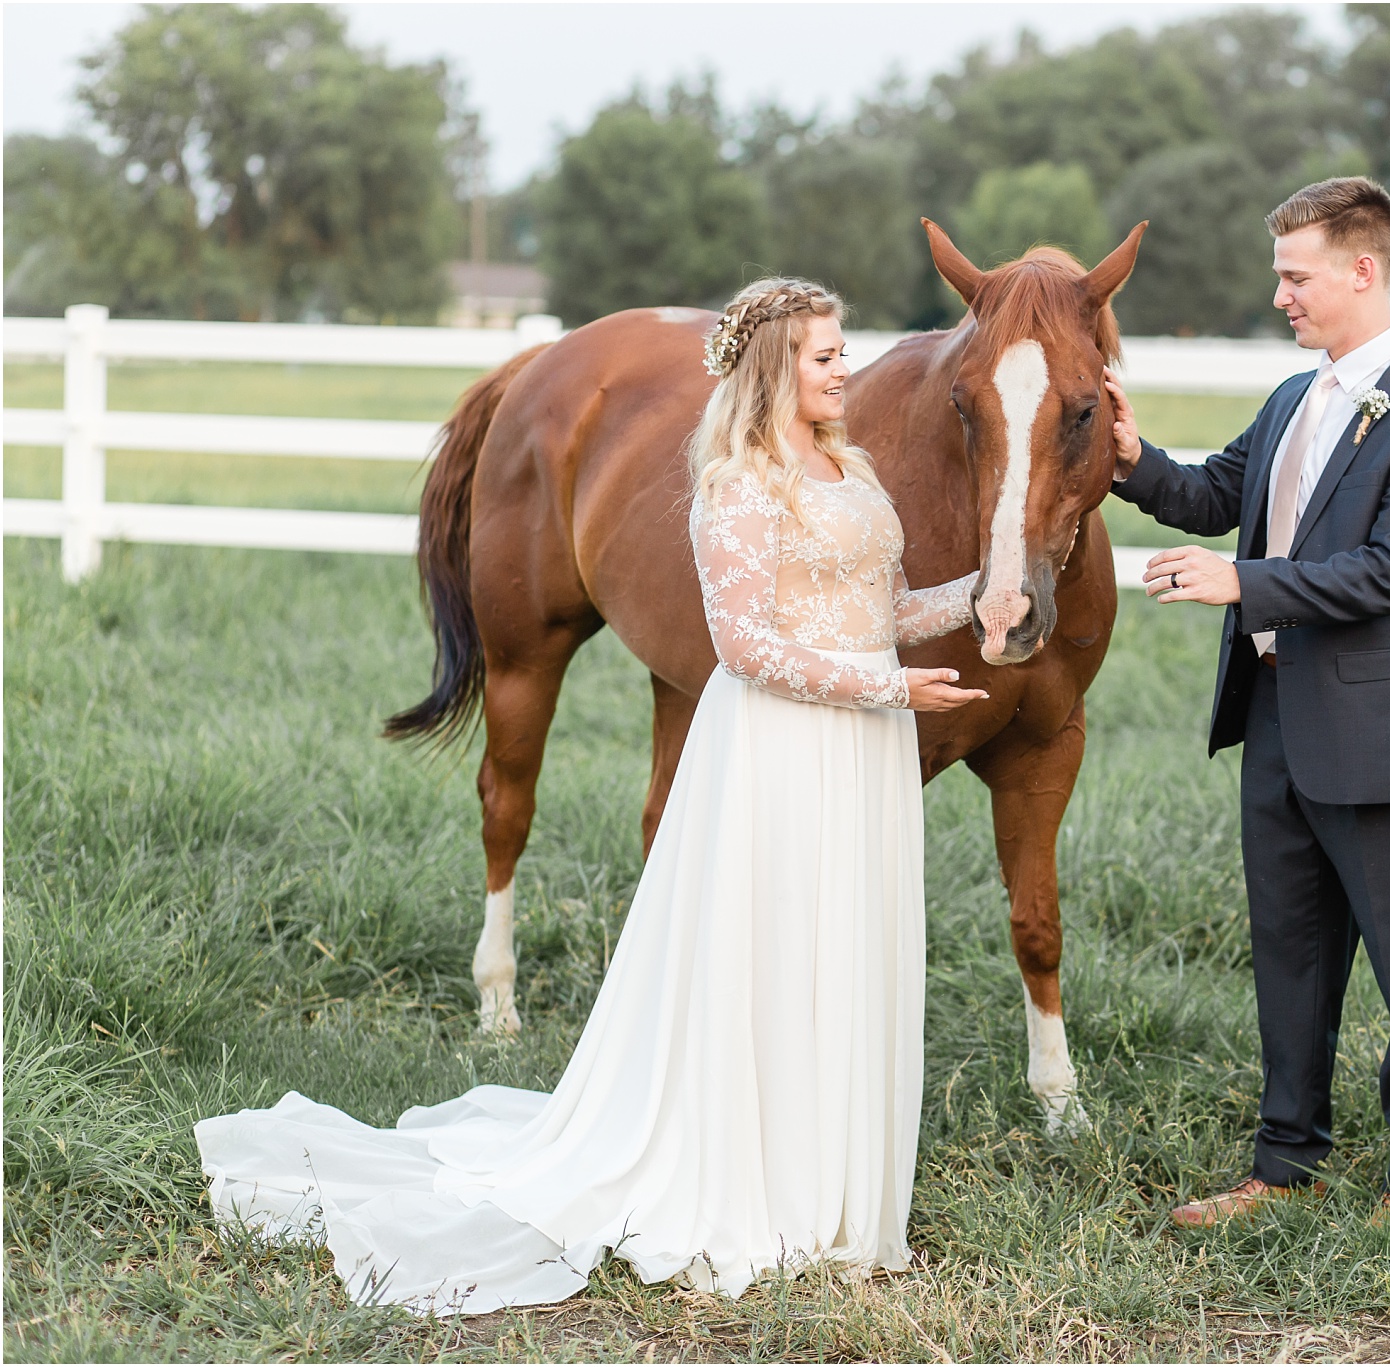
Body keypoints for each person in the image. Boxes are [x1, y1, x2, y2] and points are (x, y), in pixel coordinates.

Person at [193, 278, 987, 1313]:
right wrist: (893, 686)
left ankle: (836, 1194)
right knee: (774, 951)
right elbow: (746, 649)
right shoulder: (735, 484)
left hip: (859, 751)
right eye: (826, 356)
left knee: (843, 952)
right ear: (773, 369)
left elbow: (878, 607)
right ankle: (758, 1192)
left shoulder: (847, 467)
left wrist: (980, 592)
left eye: (842, 351)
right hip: (783, 747)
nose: (847, 369)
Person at [1100, 177, 1390, 1227]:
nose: (1281, 296)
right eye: (1280, 276)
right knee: (1289, 955)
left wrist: (1243, 583)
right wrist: (1132, 460)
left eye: (1294, 275)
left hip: (1380, 729)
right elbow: (1215, 496)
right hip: (1272, 716)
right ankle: (1280, 1167)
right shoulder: (1289, 398)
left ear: (1362, 271)